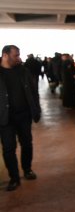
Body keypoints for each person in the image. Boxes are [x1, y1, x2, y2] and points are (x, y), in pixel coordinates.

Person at [0, 45, 41, 191]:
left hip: (24, 115)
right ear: (5, 55)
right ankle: (14, 177)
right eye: (15, 55)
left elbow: (33, 90)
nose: (19, 58)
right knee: (9, 149)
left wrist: (36, 108)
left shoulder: (23, 71)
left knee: (27, 144)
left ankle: (27, 169)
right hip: (5, 118)